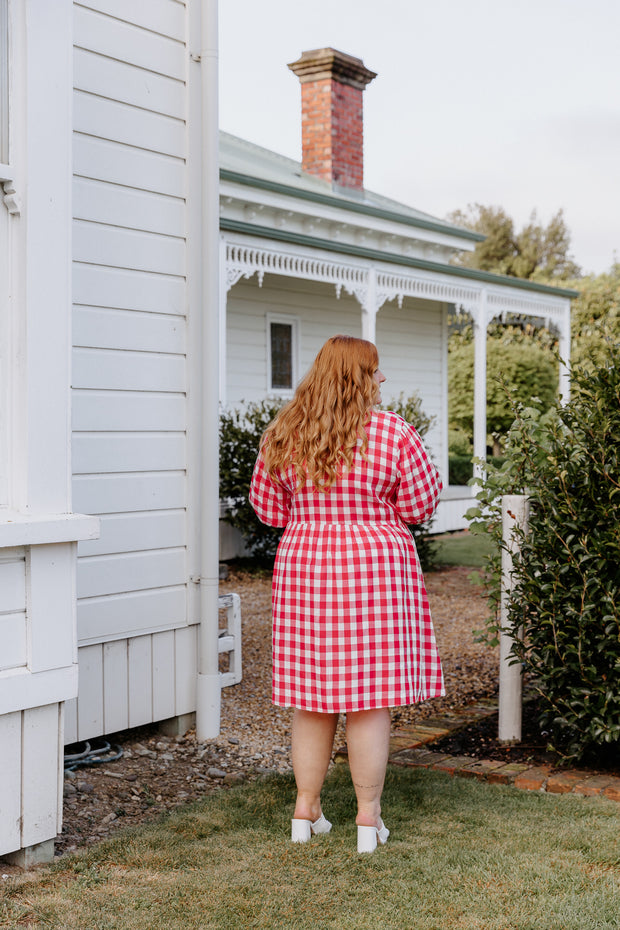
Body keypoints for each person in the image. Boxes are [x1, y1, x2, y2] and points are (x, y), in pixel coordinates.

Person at [249, 334, 444, 853]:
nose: (382, 379)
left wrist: (316, 521)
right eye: (375, 371)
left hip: (306, 569)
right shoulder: (392, 433)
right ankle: (366, 820)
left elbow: (268, 510)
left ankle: (305, 810)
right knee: (369, 699)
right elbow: (423, 502)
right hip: (375, 571)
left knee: (310, 698)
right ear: (358, 377)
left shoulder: (285, 433)